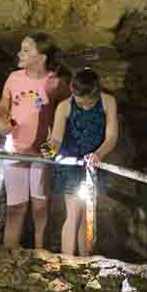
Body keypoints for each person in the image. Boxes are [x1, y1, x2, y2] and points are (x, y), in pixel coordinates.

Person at [0, 33, 66, 250]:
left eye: (25, 50)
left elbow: (66, 115)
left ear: (41, 57)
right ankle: (9, 255)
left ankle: (40, 254)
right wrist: (0, 121)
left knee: (40, 207)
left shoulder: (56, 84)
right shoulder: (14, 78)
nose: (19, 53)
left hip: (41, 153)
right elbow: (3, 106)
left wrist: (54, 146)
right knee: (15, 207)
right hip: (15, 150)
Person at [42, 67, 119, 257]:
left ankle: (85, 260)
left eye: (88, 102)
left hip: (94, 163)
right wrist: (47, 150)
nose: (84, 106)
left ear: (96, 93)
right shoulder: (65, 106)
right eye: (79, 102)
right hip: (71, 165)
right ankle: (67, 260)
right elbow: (57, 139)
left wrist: (98, 154)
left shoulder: (108, 102)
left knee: (88, 214)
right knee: (74, 213)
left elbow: (111, 136)